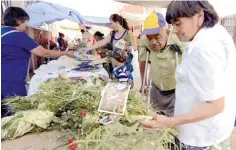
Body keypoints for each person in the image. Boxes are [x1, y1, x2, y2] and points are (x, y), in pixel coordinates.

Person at [138, 1, 236, 150]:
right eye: (173, 25)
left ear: (199, 16)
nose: (175, 30)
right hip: (207, 128)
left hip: (200, 134)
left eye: (178, 24)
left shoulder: (205, 48)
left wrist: (171, 122)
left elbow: (216, 105)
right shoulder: (216, 32)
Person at [1, 7, 75, 117]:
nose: (26, 26)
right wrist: (65, 53)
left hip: (4, 78)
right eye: (25, 22)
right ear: (19, 21)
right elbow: (45, 53)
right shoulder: (18, 35)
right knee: (17, 114)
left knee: (5, 112)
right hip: (11, 80)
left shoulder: (2, 32)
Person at [138, 12, 188, 116]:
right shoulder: (144, 41)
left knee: (172, 124)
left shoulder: (178, 39)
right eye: (149, 37)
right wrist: (144, 82)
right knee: (155, 120)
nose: (153, 42)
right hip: (155, 89)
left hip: (174, 91)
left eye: (157, 37)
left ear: (166, 30)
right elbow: (143, 61)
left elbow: (191, 59)